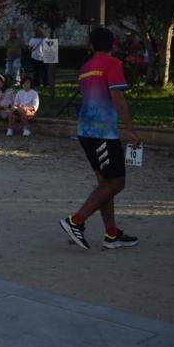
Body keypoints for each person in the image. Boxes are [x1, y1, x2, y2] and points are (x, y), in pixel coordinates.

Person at [59, 27, 142, 251]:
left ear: (91, 45)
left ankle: (111, 234)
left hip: (85, 132)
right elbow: (117, 96)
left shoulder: (84, 69)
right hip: (102, 133)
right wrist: (131, 129)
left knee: (105, 184)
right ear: (113, 44)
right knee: (117, 182)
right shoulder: (112, 64)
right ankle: (75, 221)